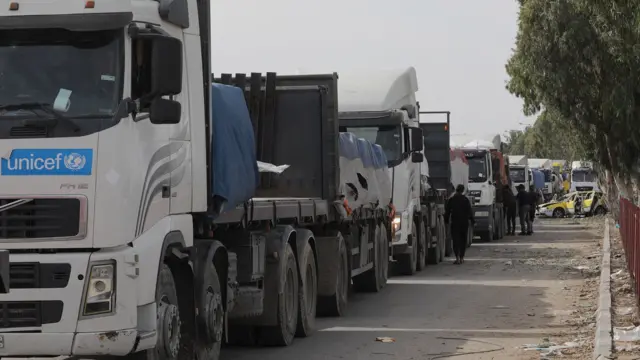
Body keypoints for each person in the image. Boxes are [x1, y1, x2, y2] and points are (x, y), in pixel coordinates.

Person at [444, 184, 475, 265]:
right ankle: (462, 258)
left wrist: (446, 221)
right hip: (464, 223)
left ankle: (457, 257)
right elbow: (470, 212)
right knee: (463, 240)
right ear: (462, 190)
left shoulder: (452, 200)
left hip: (455, 223)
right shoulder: (465, 200)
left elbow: (447, 211)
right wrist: (473, 221)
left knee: (455, 240)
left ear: (456, 190)